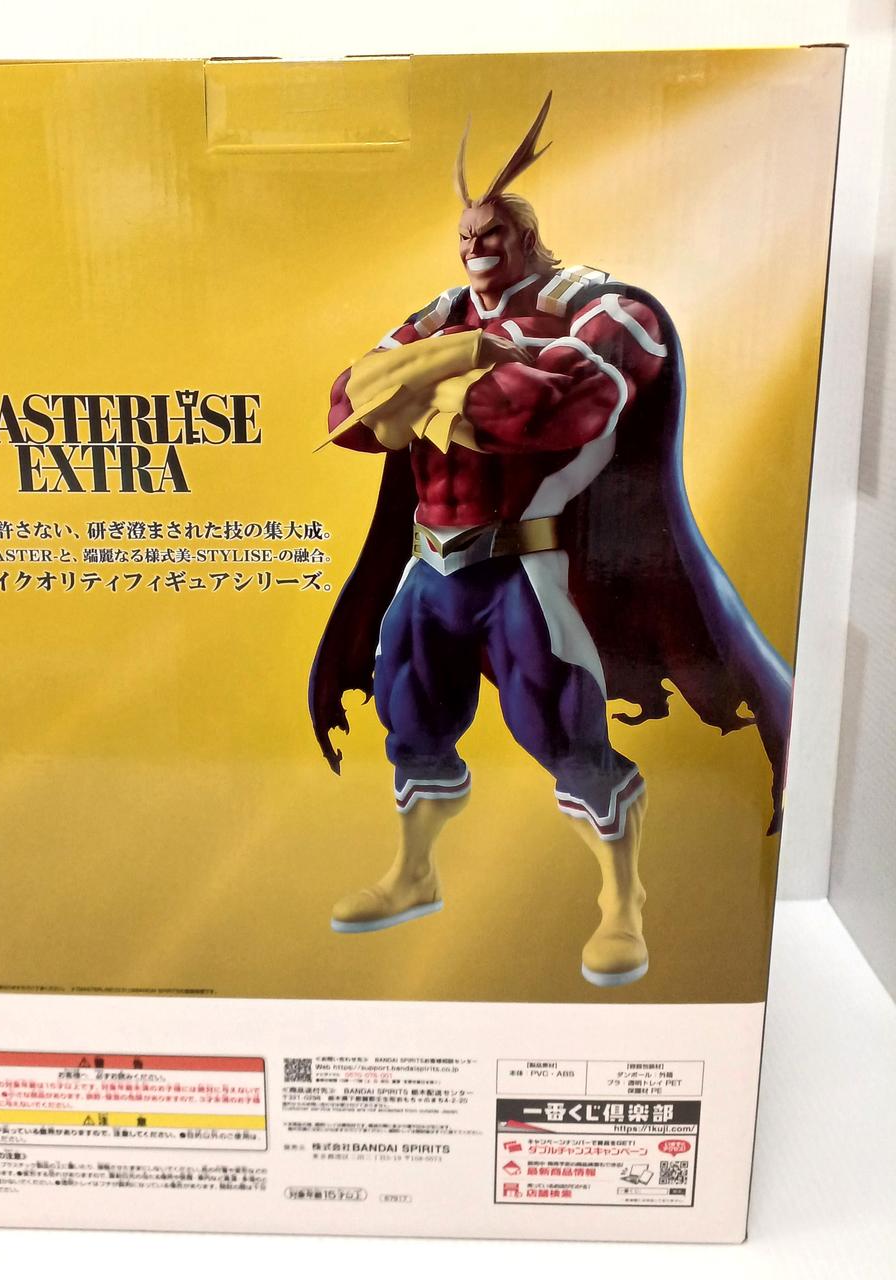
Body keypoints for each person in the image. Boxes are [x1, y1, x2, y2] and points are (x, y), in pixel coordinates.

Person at [309, 95, 792, 987]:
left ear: (526, 235)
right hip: (431, 564)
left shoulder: (606, 306)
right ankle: (414, 874)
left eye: (492, 232)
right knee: (409, 721)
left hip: (524, 564)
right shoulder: (441, 310)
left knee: (564, 734)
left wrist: (443, 373)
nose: (475, 247)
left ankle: (622, 904)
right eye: (465, 235)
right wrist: (460, 362)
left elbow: (555, 409)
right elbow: (348, 406)